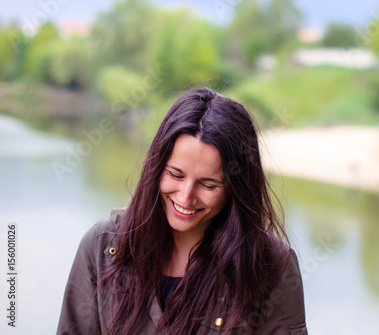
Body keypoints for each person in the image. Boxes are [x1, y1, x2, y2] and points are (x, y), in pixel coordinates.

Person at [57, 87, 308, 335]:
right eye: (175, 174)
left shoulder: (270, 266)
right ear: (156, 167)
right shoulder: (102, 247)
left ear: (236, 187)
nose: (185, 197)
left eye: (209, 184)